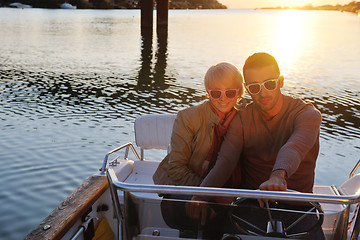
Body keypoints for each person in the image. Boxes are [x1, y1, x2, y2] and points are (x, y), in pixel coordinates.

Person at [198, 52, 324, 239]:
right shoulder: (241, 119)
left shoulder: (307, 114)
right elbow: (226, 161)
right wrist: (200, 196)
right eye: (254, 87)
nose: (263, 93)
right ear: (247, 89)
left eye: (269, 84)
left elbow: (294, 146)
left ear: (281, 82)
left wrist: (278, 175)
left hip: (299, 209)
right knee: (208, 231)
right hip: (251, 206)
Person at [152, 62, 244, 238]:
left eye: (230, 92)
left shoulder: (243, 118)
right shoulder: (188, 118)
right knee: (204, 210)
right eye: (216, 93)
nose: (223, 99)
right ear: (208, 92)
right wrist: (212, 194)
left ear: (239, 92)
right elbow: (176, 169)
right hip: (185, 187)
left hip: (226, 191)